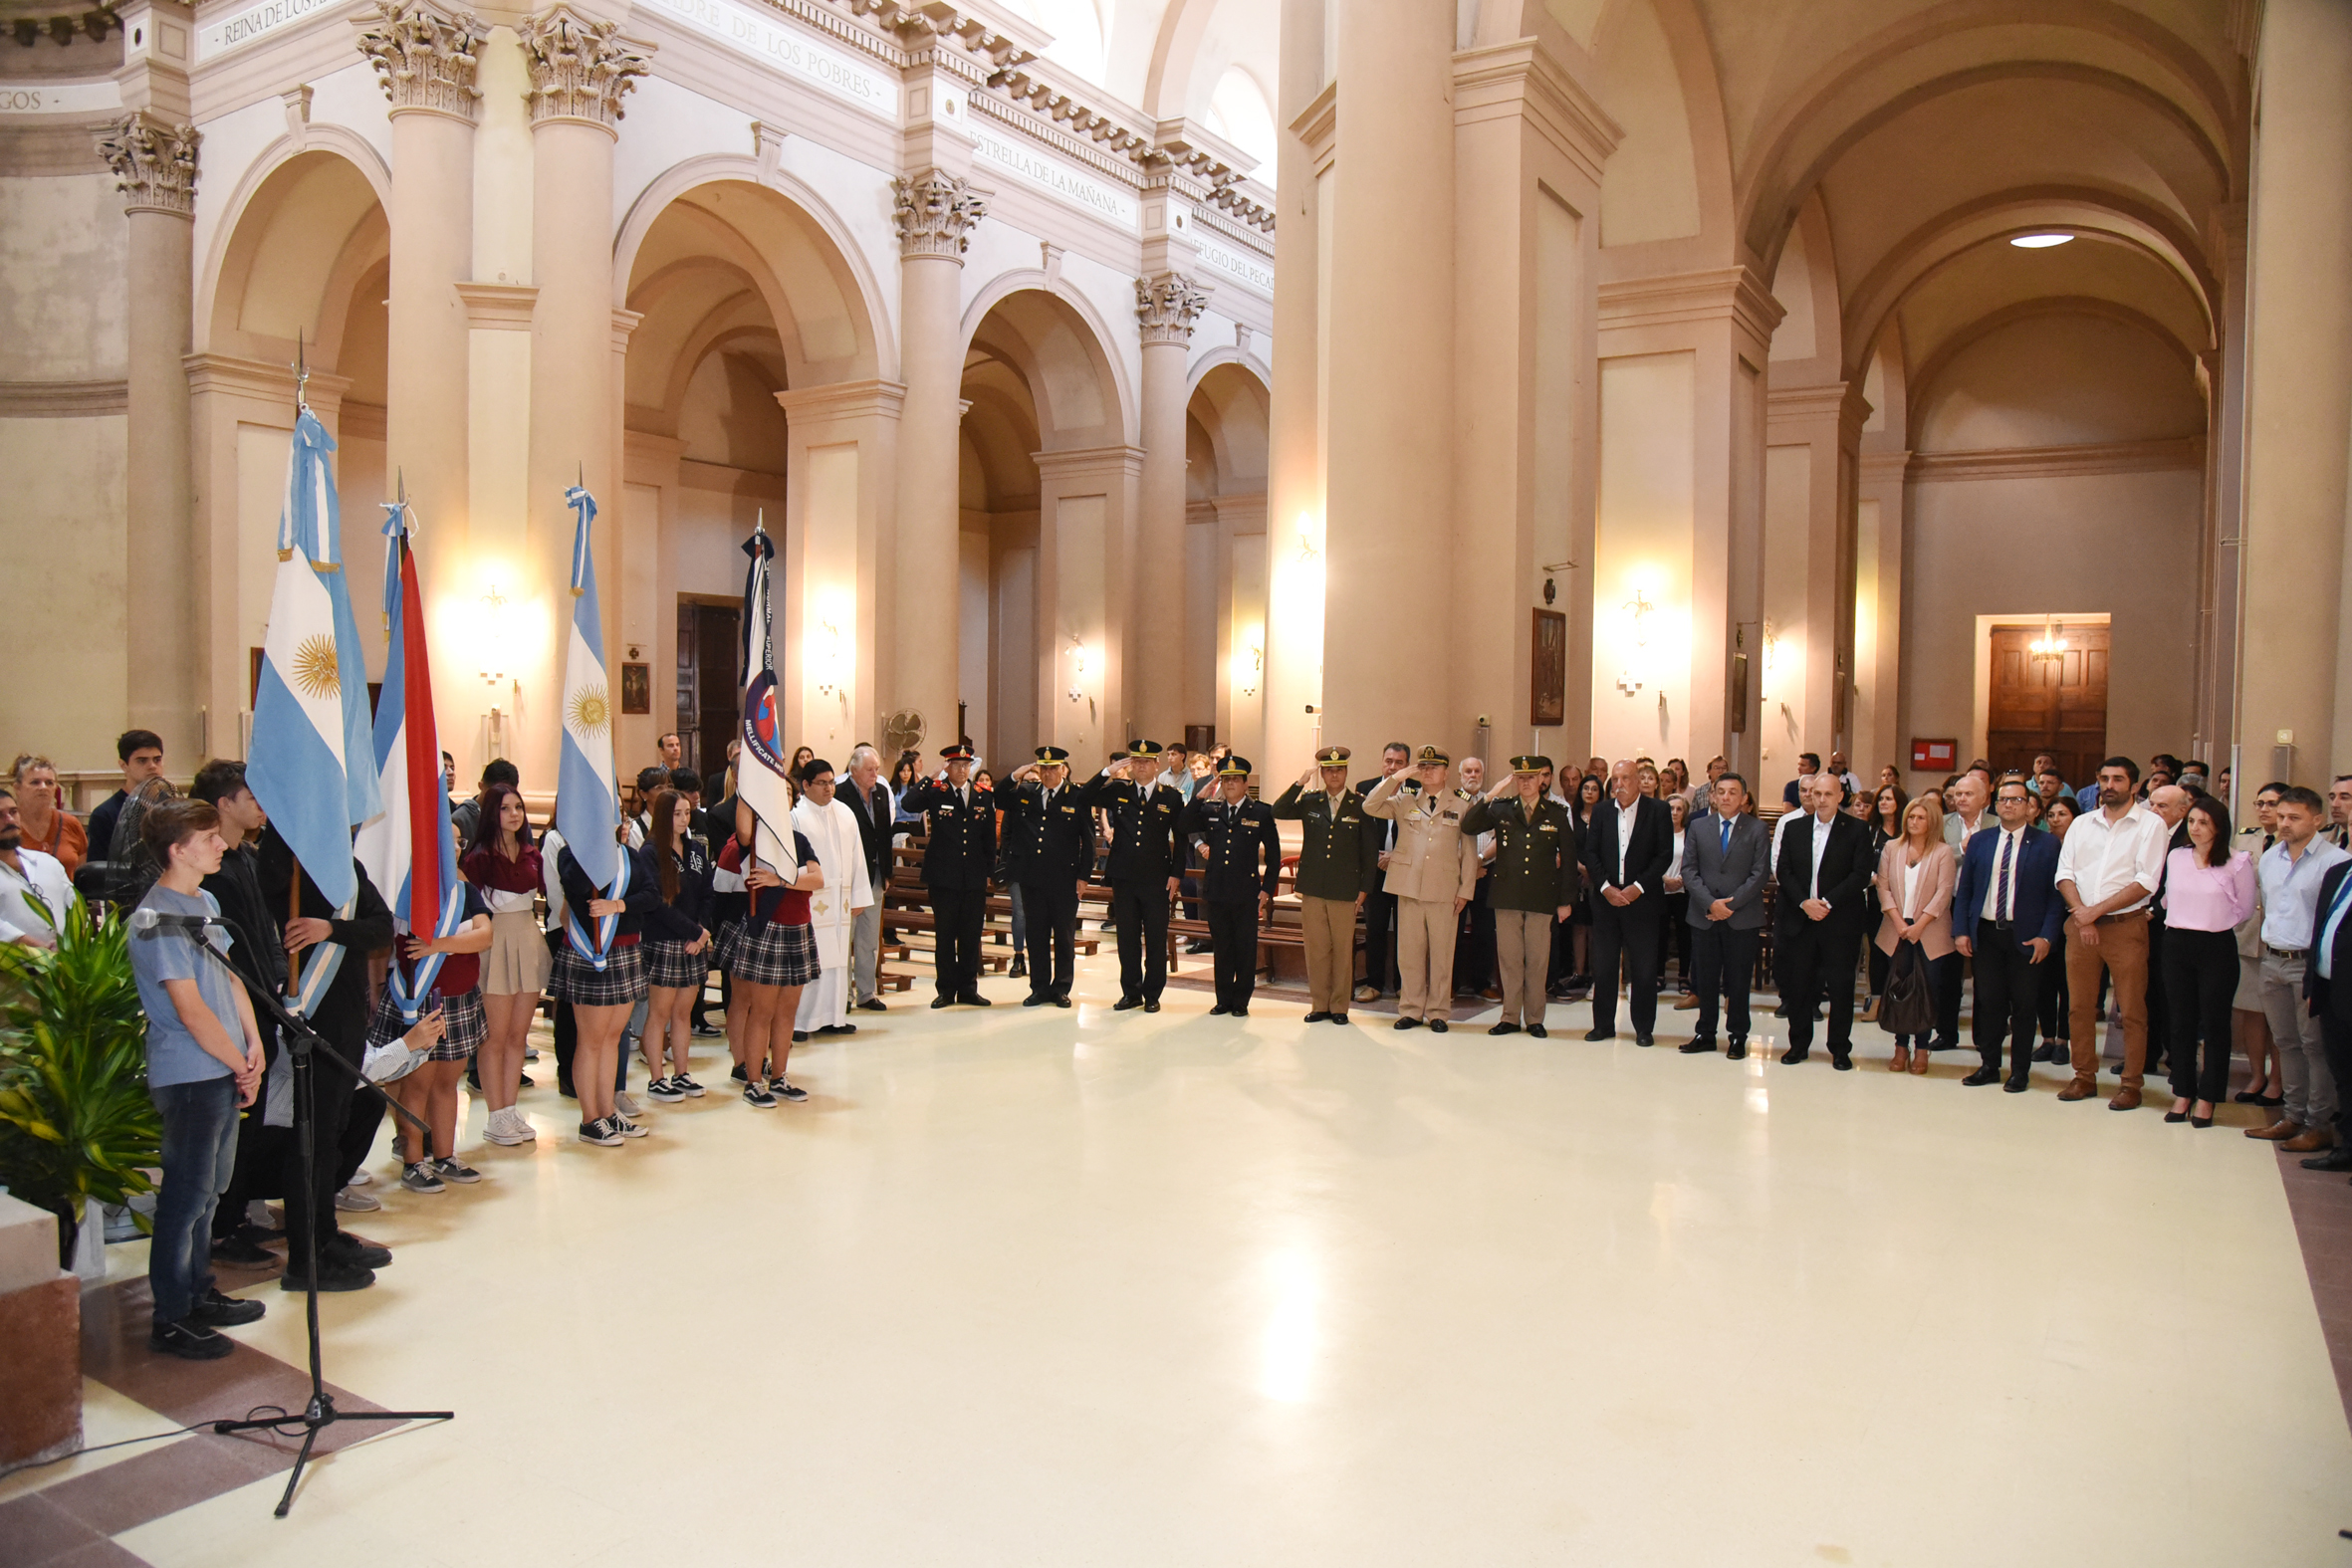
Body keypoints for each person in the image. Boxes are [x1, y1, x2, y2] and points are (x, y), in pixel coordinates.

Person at [126, 799, 269, 1359]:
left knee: (211, 1191)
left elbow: (230, 980)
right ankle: (171, 1315)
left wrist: (254, 1043)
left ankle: (199, 1290)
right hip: (189, 1072)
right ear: (177, 850)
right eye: (208, 837)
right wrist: (238, 1061)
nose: (221, 844)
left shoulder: (205, 900)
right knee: (184, 1198)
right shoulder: (155, 918)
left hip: (224, 1061)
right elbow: (188, 1008)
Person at [2053, 757, 2174, 1109]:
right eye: (2104, 778)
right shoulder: (2081, 824)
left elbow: (2146, 881)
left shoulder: (2151, 825)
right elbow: (2065, 873)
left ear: (2134, 786)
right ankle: (2083, 1076)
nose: (2110, 785)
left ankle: (2131, 1083)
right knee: (2079, 1006)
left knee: (2132, 1010)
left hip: (2125, 927)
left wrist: (2095, 912)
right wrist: (2083, 915)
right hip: (2080, 927)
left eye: (2118, 779)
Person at [373, 857, 492, 1194]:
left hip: (459, 997)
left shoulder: (466, 892)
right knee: (417, 1084)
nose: (453, 848)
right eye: (448, 840)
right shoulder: (412, 892)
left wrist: (440, 946)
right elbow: (408, 947)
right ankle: (413, 1161)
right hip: (421, 999)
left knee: (447, 1082)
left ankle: (445, 1155)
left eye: (457, 841)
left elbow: (484, 936)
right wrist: (453, 945)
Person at [2247, 785, 2349, 1148]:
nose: (2284, 823)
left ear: (2317, 820)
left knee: (2314, 1045)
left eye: (2294, 817)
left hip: (2308, 964)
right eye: (2282, 816)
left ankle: (2318, 1122)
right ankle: (2292, 1116)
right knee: (2286, 1043)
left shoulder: (2334, 861)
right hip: (2273, 958)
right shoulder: (2272, 857)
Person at [1951, 777, 2065, 1090]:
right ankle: (1989, 1065)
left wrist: (2047, 936)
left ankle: (2020, 1071)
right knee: (1989, 1002)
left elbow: (2056, 897)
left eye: (2017, 800)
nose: (2009, 805)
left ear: (2029, 806)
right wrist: (1961, 930)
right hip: (1987, 934)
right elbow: (1966, 891)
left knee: (2025, 1006)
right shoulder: (1980, 841)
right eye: (2004, 800)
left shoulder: (2047, 844)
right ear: (1994, 804)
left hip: (2027, 937)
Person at [551, 821, 659, 1145]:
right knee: (592, 1040)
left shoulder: (628, 855)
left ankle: (608, 1110)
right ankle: (590, 1119)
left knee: (613, 1037)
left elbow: (651, 895)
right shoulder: (572, 856)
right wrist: (595, 852)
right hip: (591, 952)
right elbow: (581, 889)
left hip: (625, 950)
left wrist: (618, 905)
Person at [1364, 747, 1480, 1033]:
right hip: (1410, 887)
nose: (1428, 771)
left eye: (1434, 767)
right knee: (1409, 953)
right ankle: (1412, 1009)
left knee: (1442, 955)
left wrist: (1466, 890)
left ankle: (1439, 1011)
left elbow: (1468, 851)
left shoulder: (1461, 804)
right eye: (1423, 766)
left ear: (1446, 772)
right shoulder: (1404, 800)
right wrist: (1396, 778)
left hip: (1444, 889)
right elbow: (1369, 806)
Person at [2159, 794, 2255, 1126]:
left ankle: (2209, 1095)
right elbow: (2168, 897)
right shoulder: (2177, 856)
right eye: (2192, 822)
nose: (2196, 829)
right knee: (2180, 1022)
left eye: (2204, 823)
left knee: (2214, 1024)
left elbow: (2244, 909)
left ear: (2219, 827)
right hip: (2176, 942)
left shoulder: (2237, 861)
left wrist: (2214, 918)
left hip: (2216, 945)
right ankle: (2183, 1090)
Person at [1461, 757, 1575, 1037]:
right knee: (1510, 960)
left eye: (1531, 777)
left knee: (1537, 960)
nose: (1525, 782)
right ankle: (1510, 1016)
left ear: (1541, 780)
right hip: (1508, 895)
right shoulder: (1502, 809)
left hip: (1541, 896)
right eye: (1520, 777)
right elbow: (1469, 825)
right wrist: (1491, 794)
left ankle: (1535, 1018)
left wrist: (1565, 900)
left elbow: (1570, 861)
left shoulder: (1556, 813)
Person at [461, 781, 549, 1144]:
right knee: (493, 1038)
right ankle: (495, 1114)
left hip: (527, 940)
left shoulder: (532, 853)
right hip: (495, 945)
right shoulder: (478, 858)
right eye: (505, 808)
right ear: (491, 814)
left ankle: (510, 1109)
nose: (515, 815)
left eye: (518, 808)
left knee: (518, 1036)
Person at [1274, 747, 1383, 1024]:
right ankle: (1319, 1003)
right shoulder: (1311, 801)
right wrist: (1299, 783)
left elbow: (1369, 851)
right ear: (1322, 774)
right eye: (1329, 770)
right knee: (1316, 949)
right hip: (1312, 887)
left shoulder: (1361, 804)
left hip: (1345, 888)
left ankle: (1339, 1007)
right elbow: (1279, 809)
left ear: (1346, 772)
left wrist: (1364, 888)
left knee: (1342, 949)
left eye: (1339, 769)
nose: (1334, 774)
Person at [1774, 772, 1875, 1068]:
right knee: (1800, 986)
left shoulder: (1857, 830)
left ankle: (1840, 1048)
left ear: (1840, 796)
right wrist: (1805, 903)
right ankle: (1798, 1045)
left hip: (1840, 920)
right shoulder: (1795, 828)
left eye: (1828, 794)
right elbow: (1784, 871)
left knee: (1842, 987)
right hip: (1802, 919)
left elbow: (1860, 874)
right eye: (1816, 794)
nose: (1820, 799)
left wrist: (1827, 903)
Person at [1080, 742, 1186, 1011]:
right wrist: (1107, 771)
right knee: (1127, 938)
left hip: (1157, 878)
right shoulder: (1119, 790)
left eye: (1147, 762)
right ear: (1131, 765)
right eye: (1136, 761)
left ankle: (1152, 994)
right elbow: (1084, 796)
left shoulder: (1170, 797)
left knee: (1155, 937)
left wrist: (1176, 873)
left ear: (1156, 765)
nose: (1141, 766)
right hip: (1124, 877)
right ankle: (1131, 992)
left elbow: (1182, 837)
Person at [1579, 760, 1674, 1044]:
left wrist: (1638, 887)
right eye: (1615, 779)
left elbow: (1663, 855)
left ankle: (1643, 1028)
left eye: (1625, 778)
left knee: (1644, 969)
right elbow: (1590, 853)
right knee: (1605, 966)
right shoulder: (1602, 811)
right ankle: (1604, 1025)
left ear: (1639, 781)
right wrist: (1607, 888)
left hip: (1642, 902)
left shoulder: (1657, 811)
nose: (1619, 784)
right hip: (1606, 902)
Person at [896, 742, 997, 1008]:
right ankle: (946, 990)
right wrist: (929, 777)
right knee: (945, 934)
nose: (963, 770)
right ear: (947, 767)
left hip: (973, 877)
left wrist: (988, 872)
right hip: (944, 876)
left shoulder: (982, 794)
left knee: (970, 934)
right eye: (957, 765)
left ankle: (968, 988)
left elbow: (987, 838)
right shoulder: (936, 792)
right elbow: (909, 802)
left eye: (966, 765)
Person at [1677, 773, 1770, 1058]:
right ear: (1713, 797)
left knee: (1738, 980)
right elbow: (1689, 870)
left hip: (1741, 917)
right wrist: (1710, 903)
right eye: (1721, 792)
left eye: (1733, 792)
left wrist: (1730, 904)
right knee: (1704, 979)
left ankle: (1738, 1036)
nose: (1726, 797)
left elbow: (1760, 874)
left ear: (1743, 798)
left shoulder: (1756, 829)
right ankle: (1705, 1033)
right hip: (1704, 916)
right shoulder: (1698, 827)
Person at [1180, 756, 1283, 1015]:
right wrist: (1199, 797)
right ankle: (1223, 998)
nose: (1230, 784)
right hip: (1217, 890)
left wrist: (1266, 889)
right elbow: (1183, 824)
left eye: (1235, 779)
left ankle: (1240, 1001)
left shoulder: (1260, 812)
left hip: (1247, 892)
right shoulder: (1212, 810)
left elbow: (1274, 854)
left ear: (1246, 784)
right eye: (1226, 779)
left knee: (1245, 948)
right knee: (1222, 947)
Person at [1001, 747, 1094, 1008]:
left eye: (1053, 768)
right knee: (1036, 934)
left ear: (1063, 769)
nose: (1048, 773)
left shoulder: (1076, 796)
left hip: (1065, 878)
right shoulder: (1026, 793)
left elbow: (1087, 840)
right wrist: (1016, 775)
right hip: (1032, 877)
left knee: (1064, 936)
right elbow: (999, 797)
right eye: (1044, 768)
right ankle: (1039, 987)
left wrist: (1084, 876)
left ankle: (1062, 987)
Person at [637, 787, 715, 1098]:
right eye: (677, 814)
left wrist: (703, 930)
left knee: (683, 1013)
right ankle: (657, 1078)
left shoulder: (696, 849)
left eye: (687, 813)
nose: (684, 819)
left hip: (695, 941)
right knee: (660, 1013)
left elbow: (708, 894)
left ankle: (682, 1072)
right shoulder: (650, 852)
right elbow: (656, 902)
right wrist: (691, 932)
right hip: (665, 940)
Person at [791, 760, 873, 1037]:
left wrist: (860, 893)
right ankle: (802, 1021)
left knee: (838, 960)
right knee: (814, 960)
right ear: (805, 785)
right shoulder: (797, 816)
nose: (829, 789)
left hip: (842, 900)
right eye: (822, 783)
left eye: (831, 782)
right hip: (812, 902)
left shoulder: (845, 812)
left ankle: (833, 1017)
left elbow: (857, 855)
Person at [1874, 795, 1956, 1073]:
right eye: (1911, 817)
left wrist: (1919, 925)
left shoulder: (1943, 851)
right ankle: (1900, 1047)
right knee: (1899, 988)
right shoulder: (1891, 848)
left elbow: (1944, 891)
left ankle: (1922, 1049)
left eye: (1921, 817)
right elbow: (1883, 887)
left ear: (1931, 821)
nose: (1915, 822)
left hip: (1929, 931)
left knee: (1926, 991)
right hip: (1896, 929)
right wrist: (1898, 921)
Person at [2232, 783, 2285, 1105]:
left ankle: (2278, 1080)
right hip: (2249, 935)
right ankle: (2256, 1076)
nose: (2265, 809)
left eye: (2273, 803)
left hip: (2280, 937)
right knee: (2251, 1011)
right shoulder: (2244, 837)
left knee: (2278, 1017)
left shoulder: (2291, 841)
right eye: (2260, 802)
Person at [838, 744, 897, 1012]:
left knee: (869, 938)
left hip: (875, 874)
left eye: (876, 769)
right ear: (853, 770)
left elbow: (885, 835)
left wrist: (887, 872)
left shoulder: (882, 793)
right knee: (846, 936)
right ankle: (843, 994)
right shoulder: (840, 794)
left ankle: (866, 992)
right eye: (869, 769)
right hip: (849, 876)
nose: (875, 774)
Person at [1352, 742, 1412, 1003]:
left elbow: (1418, 835)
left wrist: (1396, 857)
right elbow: (1358, 831)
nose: (1392, 767)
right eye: (1389, 761)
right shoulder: (1366, 789)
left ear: (1407, 766)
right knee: (1375, 929)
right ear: (1382, 761)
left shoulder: (1417, 791)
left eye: (1399, 763)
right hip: (1374, 872)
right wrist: (1372, 857)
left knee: (1405, 931)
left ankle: (1403, 985)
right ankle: (1374, 984)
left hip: (1405, 872)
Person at [2034, 793, 2080, 1063]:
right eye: (2051, 815)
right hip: (2043, 923)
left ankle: (2064, 1040)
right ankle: (2048, 1038)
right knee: (2044, 984)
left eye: (2062, 814)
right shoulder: (2043, 846)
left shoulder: (2082, 846)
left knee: (2068, 985)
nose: (2055, 820)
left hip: (2073, 920)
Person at [0, 784, 75, 947]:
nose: (10, 820)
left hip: (64, 963)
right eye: (0, 815)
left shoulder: (46, 862)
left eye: (13, 812)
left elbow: (74, 905)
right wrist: (39, 949)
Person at [86, 728, 165, 871]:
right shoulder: (105, 814)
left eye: (157, 760)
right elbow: (98, 871)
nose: (152, 766)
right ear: (124, 766)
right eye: (142, 761)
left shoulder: (174, 806)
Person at [10, 755, 87, 874]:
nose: (43, 787)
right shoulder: (7, 825)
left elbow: (82, 874)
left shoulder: (71, 824)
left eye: (49, 783)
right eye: (35, 782)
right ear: (17, 788)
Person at [449, 758, 519, 849]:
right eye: (496, 794)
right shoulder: (461, 819)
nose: (501, 800)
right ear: (481, 786)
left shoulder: (515, 818)